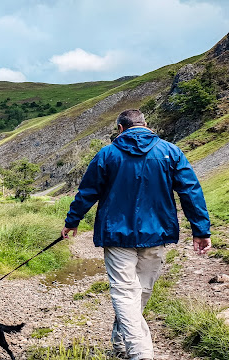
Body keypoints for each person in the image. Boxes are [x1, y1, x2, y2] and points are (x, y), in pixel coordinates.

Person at [60, 109, 211, 360]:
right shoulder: (170, 152)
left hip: (116, 235)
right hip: (156, 234)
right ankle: (141, 353)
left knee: (129, 293)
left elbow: (87, 192)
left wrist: (72, 221)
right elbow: (191, 191)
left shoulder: (107, 154)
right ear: (146, 125)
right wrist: (201, 230)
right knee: (136, 292)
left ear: (120, 128)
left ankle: (123, 343)